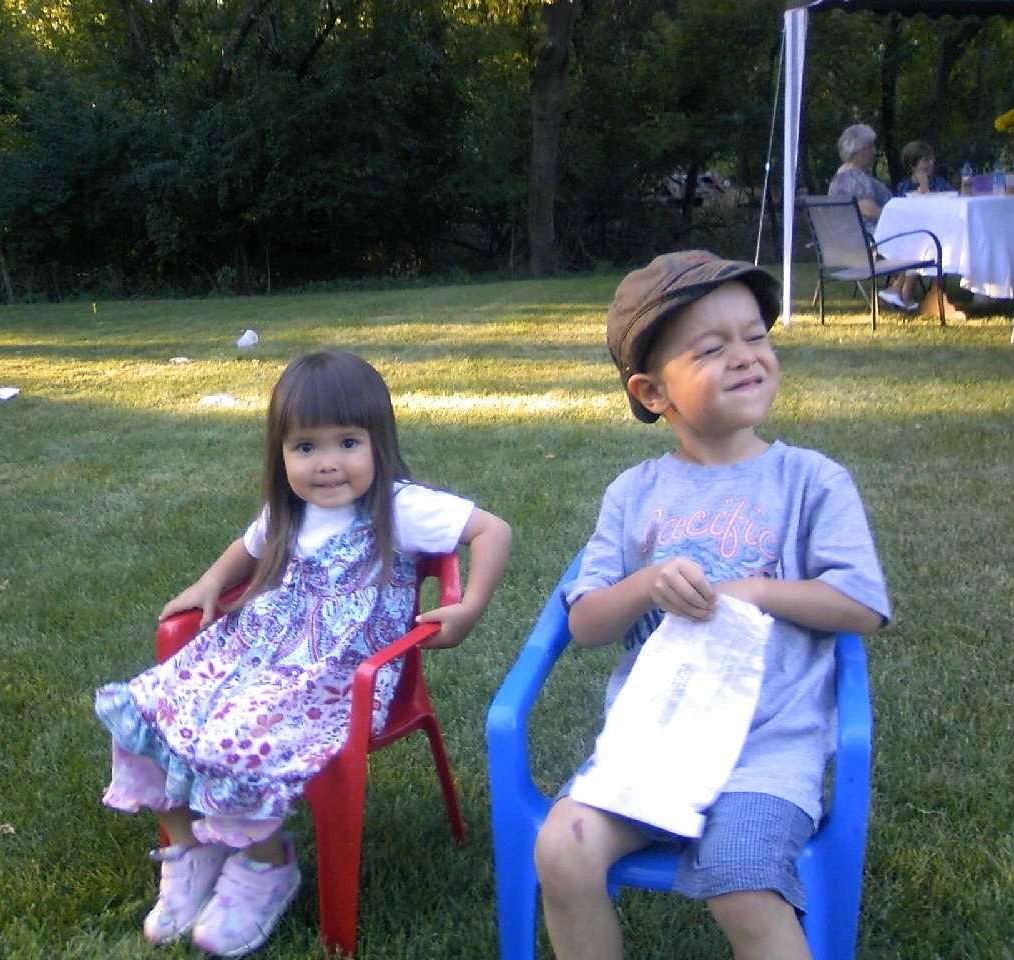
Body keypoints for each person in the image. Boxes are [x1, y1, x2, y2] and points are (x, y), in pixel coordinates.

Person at [533, 250, 889, 960]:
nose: (746, 356)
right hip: (656, 743)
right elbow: (587, 624)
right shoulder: (632, 495)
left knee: (740, 881)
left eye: (756, 336)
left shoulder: (811, 482)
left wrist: (754, 590)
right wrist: (644, 583)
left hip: (767, 753)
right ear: (654, 392)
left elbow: (861, 604)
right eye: (711, 347)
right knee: (563, 847)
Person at [95, 350, 511, 957]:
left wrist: (468, 606)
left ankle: (265, 865)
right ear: (281, 454)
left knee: (234, 733)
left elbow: (491, 530)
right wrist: (213, 582)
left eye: (347, 442)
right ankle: (192, 850)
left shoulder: (401, 505)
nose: (327, 464)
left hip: (335, 679)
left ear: (379, 443)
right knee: (147, 706)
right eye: (305, 447)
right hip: (256, 653)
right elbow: (246, 547)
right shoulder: (288, 512)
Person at [827, 122, 920, 313]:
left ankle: (897, 290)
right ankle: (904, 292)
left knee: (915, 234)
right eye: (870, 147)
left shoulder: (846, 176)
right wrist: (900, 219)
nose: (874, 151)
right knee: (919, 237)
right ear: (858, 150)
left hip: (849, 241)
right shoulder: (853, 178)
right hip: (863, 244)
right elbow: (869, 210)